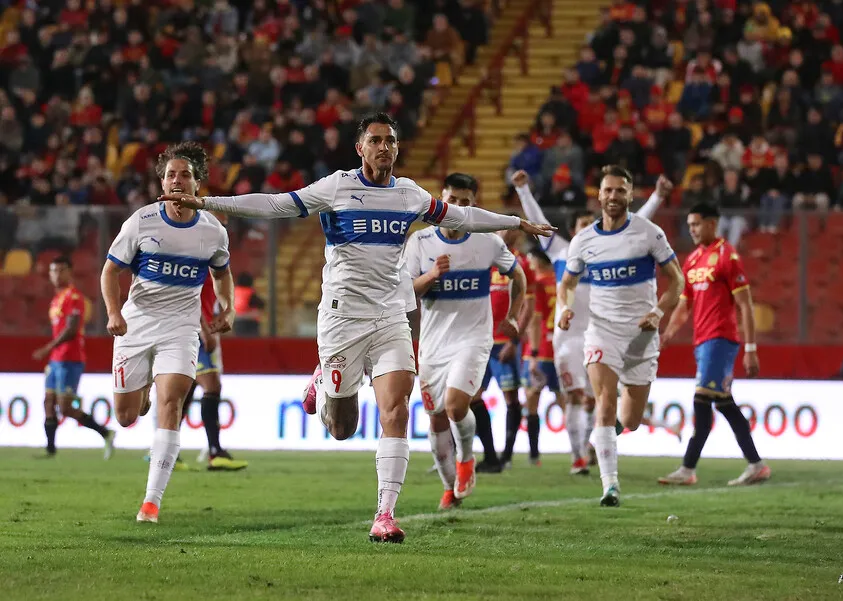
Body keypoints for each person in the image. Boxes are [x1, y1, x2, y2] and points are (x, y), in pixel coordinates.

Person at [164, 113, 552, 543]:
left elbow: (460, 216)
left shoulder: (408, 194)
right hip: (342, 318)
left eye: (391, 140)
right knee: (342, 427)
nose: (384, 147)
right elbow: (275, 205)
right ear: (360, 148)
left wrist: (515, 222)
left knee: (397, 409)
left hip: (391, 315)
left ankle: (385, 514)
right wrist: (208, 203)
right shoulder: (337, 187)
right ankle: (322, 381)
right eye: (376, 140)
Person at [101, 142, 235, 524]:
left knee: (172, 402)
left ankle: (151, 502)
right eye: (171, 175)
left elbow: (222, 274)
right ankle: (141, 390)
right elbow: (110, 271)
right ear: (162, 182)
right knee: (126, 416)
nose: (178, 180)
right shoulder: (142, 221)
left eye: (185, 175)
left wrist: (228, 307)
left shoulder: (212, 230)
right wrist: (113, 312)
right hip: (137, 324)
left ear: (197, 184)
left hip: (181, 327)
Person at [513, 171, 672, 473]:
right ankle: (578, 458)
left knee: (594, 401)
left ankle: (590, 446)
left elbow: (637, 225)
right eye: (582, 224)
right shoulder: (562, 252)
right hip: (568, 339)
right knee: (574, 396)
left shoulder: (610, 248)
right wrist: (523, 190)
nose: (588, 227)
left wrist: (657, 197)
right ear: (573, 230)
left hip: (600, 333)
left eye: (590, 222)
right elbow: (538, 224)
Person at [558, 165, 684, 507]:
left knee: (629, 419)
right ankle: (610, 486)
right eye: (608, 190)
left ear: (630, 195)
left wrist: (658, 312)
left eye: (620, 190)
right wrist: (565, 308)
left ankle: (607, 436)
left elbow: (678, 280)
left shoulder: (649, 233)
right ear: (599, 195)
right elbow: (567, 283)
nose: (613, 196)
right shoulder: (583, 240)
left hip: (641, 334)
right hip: (601, 331)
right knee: (604, 402)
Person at [406, 172, 526, 509]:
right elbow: (406, 291)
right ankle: (449, 488)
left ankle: (467, 458)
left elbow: (518, 275)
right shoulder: (420, 241)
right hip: (433, 344)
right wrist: (432, 276)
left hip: (473, 338)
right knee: (436, 418)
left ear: (473, 205)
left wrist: (513, 314)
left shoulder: (487, 241)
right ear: (441, 200)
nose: (457, 208)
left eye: (465, 202)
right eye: (452, 200)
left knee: (457, 405)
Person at [658, 202, 770, 487]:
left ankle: (687, 468)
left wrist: (751, 349)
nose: (692, 230)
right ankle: (756, 465)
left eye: (696, 224)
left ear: (712, 224)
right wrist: (668, 333)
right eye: (689, 225)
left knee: (701, 399)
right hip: (701, 342)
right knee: (723, 403)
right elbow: (684, 305)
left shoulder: (727, 256)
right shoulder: (692, 260)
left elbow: (745, 305)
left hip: (720, 340)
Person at [32, 256, 116, 458]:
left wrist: (48, 348)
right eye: (54, 270)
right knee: (48, 401)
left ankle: (106, 433)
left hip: (70, 358)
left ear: (70, 272)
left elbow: (71, 330)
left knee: (65, 408)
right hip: (56, 359)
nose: (57, 274)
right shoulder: (57, 298)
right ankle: (50, 450)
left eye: (61, 270)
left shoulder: (75, 297)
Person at [473, 220, 534, 472]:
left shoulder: (522, 263)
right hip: (480, 341)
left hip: (504, 343)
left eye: (509, 228)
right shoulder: (485, 260)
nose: (503, 232)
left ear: (517, 235)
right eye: (501, 227)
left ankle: (506, 454)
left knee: (510, 397)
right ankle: (488, 455)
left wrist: (514, 340)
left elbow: (528, 306)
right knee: (472, 397)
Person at [188, 226, 249, 471]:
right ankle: (214, 451)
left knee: (186, 390)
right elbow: (188, 297)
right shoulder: (195, 261)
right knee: (211, 385)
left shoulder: (211, 263)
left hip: (196, 328)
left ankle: (165, 450)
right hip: (192, 331)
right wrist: (204, 330)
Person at [521, 247, 560, 468]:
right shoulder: (561, 281)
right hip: (559, 348)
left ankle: (534, 455)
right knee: (566, 402)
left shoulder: (536, 283)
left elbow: (535, 319)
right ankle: (583, 450)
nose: (529, 262)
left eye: (531, 258)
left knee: (532, 401)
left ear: (539, 260)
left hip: (539, 348)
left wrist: (533, 353)